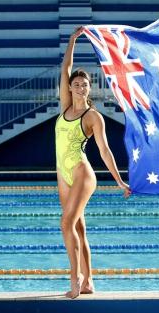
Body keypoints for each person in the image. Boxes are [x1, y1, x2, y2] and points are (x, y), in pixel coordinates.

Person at [55, 27, 131, 299]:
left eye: (84, 84)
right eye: (76, 83)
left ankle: (75, 280)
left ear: (89, 88)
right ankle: (89, 281)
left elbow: (105, 150)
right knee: (78, 228)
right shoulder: (65, 105)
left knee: (66, 224)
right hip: (63, 175)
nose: (79, 86)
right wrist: (72, 41)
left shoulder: (92, 116)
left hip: (82, 173)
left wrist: (120, 179)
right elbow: (66, 68)